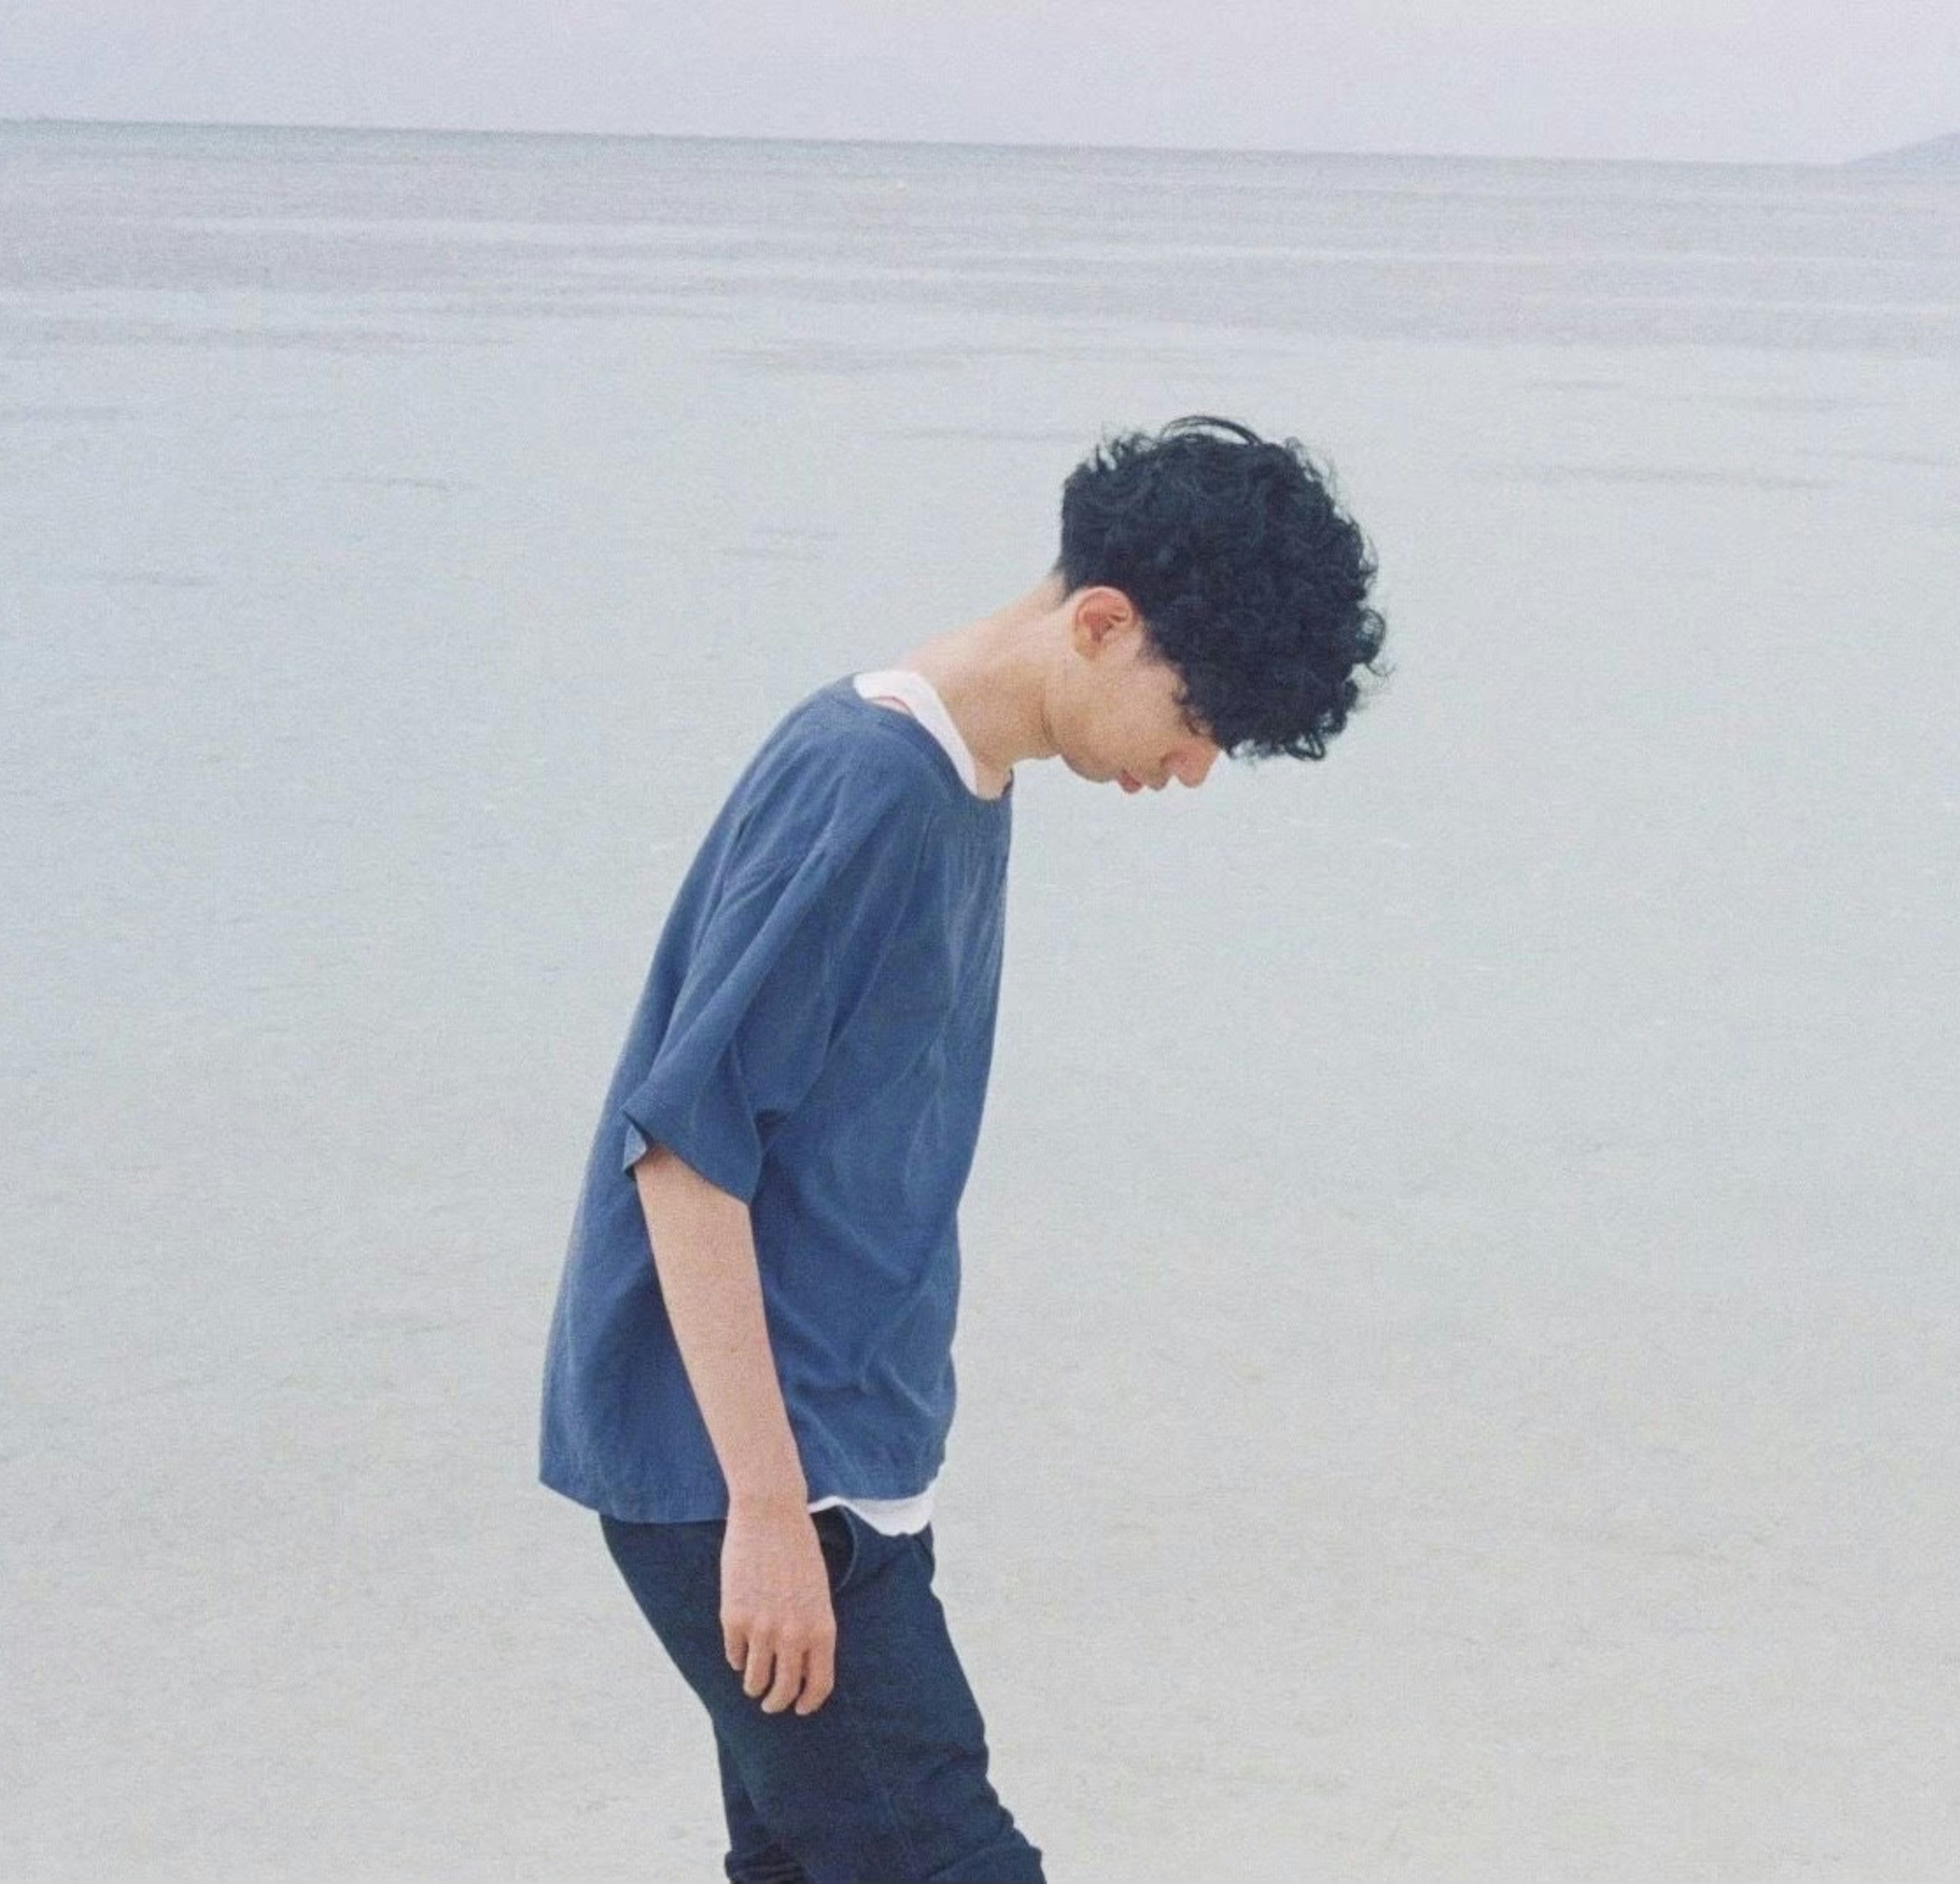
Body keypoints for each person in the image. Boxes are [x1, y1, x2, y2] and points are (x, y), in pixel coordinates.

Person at [540, 415, 1387, 1883]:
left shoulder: (961, 784)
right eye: (1200, 722)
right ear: (1102, 625)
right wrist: (763, 1512)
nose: (1192, 770)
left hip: (838, 1461)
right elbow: (684, 1153)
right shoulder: (869, 783)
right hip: (755, 1476)